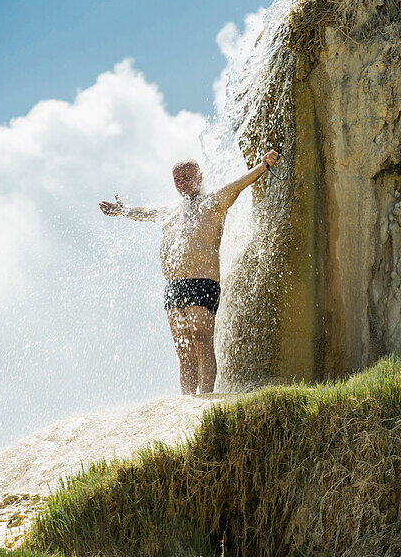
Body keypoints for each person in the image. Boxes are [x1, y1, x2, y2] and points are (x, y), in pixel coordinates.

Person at [99, 151, 280, 394]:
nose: (182, 183)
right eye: (177, 179)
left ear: (200, 176)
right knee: (183, 350)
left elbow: (238, 185)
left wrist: (262, 166)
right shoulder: (172, 211)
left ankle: (205, 397)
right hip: (174, 287)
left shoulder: (213, 201)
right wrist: (123, 210)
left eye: (186, 177)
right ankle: (186, 401)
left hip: (202, 282)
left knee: (202, 341)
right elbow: (145, 212)